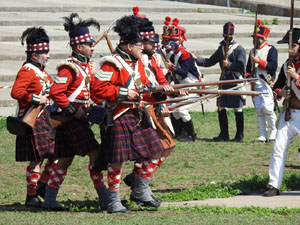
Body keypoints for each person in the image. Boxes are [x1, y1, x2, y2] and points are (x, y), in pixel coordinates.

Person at [93, 15, 165, 213]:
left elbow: (143, 89)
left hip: (136, 115)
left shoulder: (138, 63)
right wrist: (124, 93)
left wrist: (160, 93)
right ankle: (113, 201)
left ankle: (141, 190)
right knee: (117, 161)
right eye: (138, 44)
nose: (142, 47)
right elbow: (97, 89)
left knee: (156, 150)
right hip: (118, 116)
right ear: (127, 45)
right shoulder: (111, 63)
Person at [42, 13, 107, 211]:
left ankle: (49, 199)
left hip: (77, 118)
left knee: (65, 159)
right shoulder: (69, 68)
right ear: (79, 47)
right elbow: (56, 92)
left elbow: (92, 92)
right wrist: (73, 111)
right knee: (95, 152)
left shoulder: (85, 66)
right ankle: (105, 197)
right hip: (72, 120)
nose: (92, 47)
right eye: (89, 44)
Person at [122, 18, 176, 196]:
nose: (155, 44)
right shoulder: (135, 61)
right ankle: (139, 183)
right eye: (151, 42)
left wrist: (171, 93)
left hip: (154, 105)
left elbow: (160, 81)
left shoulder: (152, 58)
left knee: (167, 144)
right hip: (141, 108)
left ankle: (138, 179)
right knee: (155, 148)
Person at [11, 27, 56, 207]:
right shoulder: (28, 71)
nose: (48, 56)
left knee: (55, 154)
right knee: (37, 159)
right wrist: (38, 98)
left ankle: (42, 185)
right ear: (35, 55)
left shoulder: (41, 72)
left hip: (45, 119)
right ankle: (31, 195)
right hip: (33, 119)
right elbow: (16, 92)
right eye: (45, 53)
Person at [264, 28, 300, 197]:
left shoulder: (293, 68)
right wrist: (280, 92)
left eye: (292, 44)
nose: (289, 48)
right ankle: (273, 185)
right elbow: (277, 85)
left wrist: (296, 78)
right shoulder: (287, 64)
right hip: (288, 113)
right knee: (278, 148)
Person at [196, 22, 246, 142]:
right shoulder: (221, 48)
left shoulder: (239, 49)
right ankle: (224, 134)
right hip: (224, 81)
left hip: (235, 81)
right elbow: (210, 61)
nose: (226, 38)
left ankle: (239, 136)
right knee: (221, 107)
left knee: (237, 109)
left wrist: (229, 65)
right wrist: (196, 59)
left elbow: (241, 66)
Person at [164, 18, 201, 142]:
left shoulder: (184, 54)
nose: (172, 42)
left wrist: (172, 68)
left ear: (180, 40)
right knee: (174, 110)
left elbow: (184, 73)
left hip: (191, 85)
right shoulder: (173, 53)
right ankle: (180, 134)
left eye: (175, 40)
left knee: (182, 109)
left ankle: (192, 135)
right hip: (182, 85)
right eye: (171, 40)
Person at [246, 19, 278, 143]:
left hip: (266, 82)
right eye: (254, 37)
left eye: (258, 38)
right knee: (259, 110)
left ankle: (274, 132)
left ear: (264, 38)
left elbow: (273, 66)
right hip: (255, 83)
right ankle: (262, 134)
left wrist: (259, 62)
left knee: (268, 109)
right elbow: (248, 69)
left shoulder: (271, 49)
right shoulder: (251, 51)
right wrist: (248, 77)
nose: (255, 40)